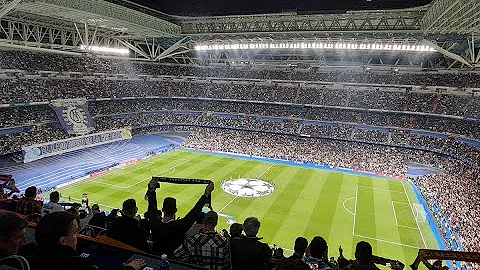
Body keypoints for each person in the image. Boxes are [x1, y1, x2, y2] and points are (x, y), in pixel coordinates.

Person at [29, 211, 146, 270]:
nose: (78, 236)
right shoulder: (79, 265)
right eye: (74, 233)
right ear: (63, 241)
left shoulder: (30, 257)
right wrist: (130, 268)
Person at [146, 179, 215, 257]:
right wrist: (206, 193)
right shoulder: (179, 226)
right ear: (175, 210)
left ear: (162, 210)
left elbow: (152, 207)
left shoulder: (155, 224)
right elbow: (194, 213)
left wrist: (152, 189)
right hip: (174, 262)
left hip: (155, 259)